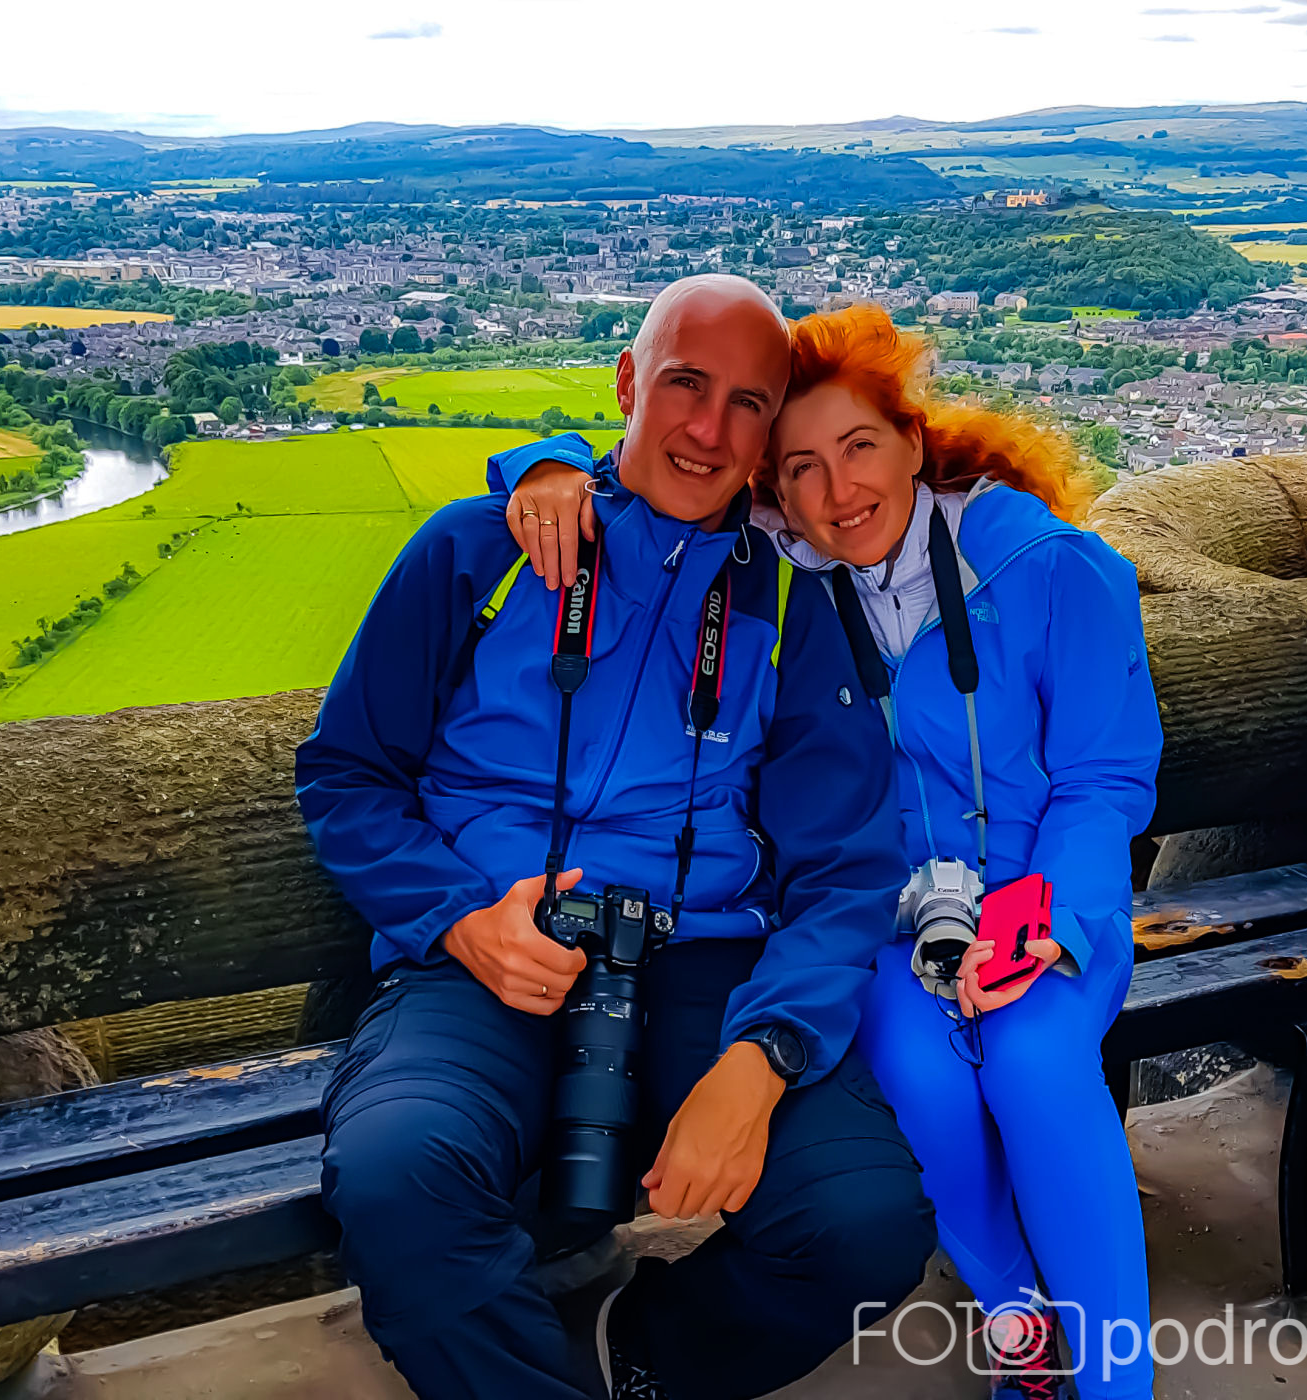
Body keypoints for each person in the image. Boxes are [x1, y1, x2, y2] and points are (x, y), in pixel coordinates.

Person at [498, 303, 1162, 1400]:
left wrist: (1047, 920)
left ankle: (1118, 1384)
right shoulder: (787, 574)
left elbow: (1102, 782)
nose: (837, 490)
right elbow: (650, 474)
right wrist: (545, 464)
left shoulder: (1049, 568)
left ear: (914, 440)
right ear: (775, 486)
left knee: (1036, 1063)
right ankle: (1020, 1324)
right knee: (918, 1077)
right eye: (799, 467)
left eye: (859, 447)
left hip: (1049, 909)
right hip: (883, 924)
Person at [296, 277, 936, 1400]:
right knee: (400, 1180)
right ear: (629, 381)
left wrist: (765, 1056)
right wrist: (458, 918)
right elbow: (348, 774)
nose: (709, 429)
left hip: (701, 961)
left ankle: (641, 1354)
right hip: (486, 953)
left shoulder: (788, 607)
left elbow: (844, 867)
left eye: (748, 404)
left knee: (865, 1222)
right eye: (686, 384)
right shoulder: (479, 554)